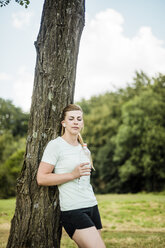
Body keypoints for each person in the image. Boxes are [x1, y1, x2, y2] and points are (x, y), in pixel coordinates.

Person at [37, 104, 106, 248]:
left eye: (79, 119)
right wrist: (72, 174)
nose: (75, 122)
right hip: (73, 210)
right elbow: (41, 178)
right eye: (71, 118)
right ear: (64, 123)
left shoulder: (84, 148)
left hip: (92, 205)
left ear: (82, 123)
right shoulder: (55, 145)